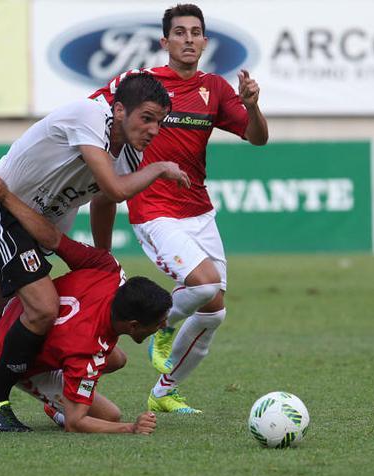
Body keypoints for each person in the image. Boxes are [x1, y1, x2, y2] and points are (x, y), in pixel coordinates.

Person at [0, 72, 190, 432]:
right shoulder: (89, 116)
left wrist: (103, 264)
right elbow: (114, 186)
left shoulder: (128, 154)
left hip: (38, 226)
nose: (154, 129)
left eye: (160, 121)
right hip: (1, 201)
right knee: (42, 308)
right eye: (147, 118)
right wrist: (160, 167)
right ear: (120, 109)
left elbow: (105, 201)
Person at [88, 3, 269, 414]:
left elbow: (258, 139)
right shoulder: (141, 84)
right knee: (204, 286)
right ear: (164, 41)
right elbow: (91, 109)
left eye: (195, 32)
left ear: (205, 41)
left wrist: (253, 105)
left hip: (199, 211)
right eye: (180, 32)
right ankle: (164, 323)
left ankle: (164, 390)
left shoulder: (216, 89)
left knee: (214, 312)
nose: (189, 39)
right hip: (153, 209)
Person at [0, 171, 171, 434]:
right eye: (158, 323)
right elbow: (76, 423)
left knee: (117, 360)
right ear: (133, 325)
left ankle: (63, 391)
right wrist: (130, 428)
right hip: (12, 351)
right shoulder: (86, 350)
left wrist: (7, 197)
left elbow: (53, 238)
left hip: (20, 308)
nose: (164, 325)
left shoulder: (109, 270)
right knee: (110, 415)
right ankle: (55, 402)